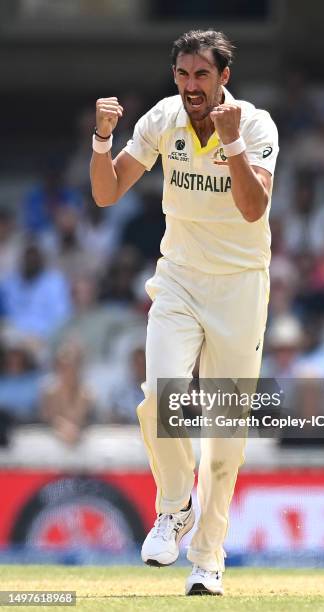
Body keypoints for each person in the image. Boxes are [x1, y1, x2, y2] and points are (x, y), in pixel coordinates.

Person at [90, 29, 279, 596]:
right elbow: (107, 193)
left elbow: (254, 209)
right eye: (183, 74)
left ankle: (209, 558)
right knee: (159, 398)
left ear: (225, 77)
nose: (191, 86)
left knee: (225, 438)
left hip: (241, 287)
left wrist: (234, 146)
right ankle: (174, 506)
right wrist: (102, 141)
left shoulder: (255, 124)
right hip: (177, 280)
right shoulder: (163, 119)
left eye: (202, 75)